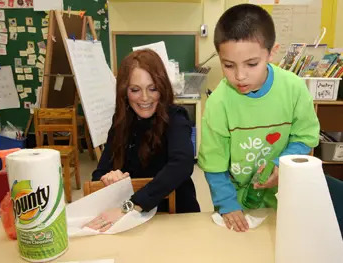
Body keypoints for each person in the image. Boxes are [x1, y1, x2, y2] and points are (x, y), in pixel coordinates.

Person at [198, 4, 320, 232]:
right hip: (234, 198)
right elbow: (214, 164)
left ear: (272, 52)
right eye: (228, 65)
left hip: (283, 193)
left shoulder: (293, 88)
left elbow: (305, 136)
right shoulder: (219, 102)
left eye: (252, 64)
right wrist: (227, 203)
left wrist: (280, 165)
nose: (240, 76)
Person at [85, 49, 200, 232]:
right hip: (135, 222)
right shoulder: (121, 121)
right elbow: (98, 175)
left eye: (153, 88)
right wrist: (109, 178)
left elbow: (182, 164)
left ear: (162, 88)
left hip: (176, 218)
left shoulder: (176, 118)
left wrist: (130, 206)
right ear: (124, 91)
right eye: (135, 90)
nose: (145, 98)